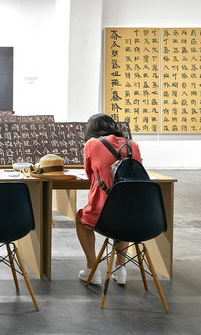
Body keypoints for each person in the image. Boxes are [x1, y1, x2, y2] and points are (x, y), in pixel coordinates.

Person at [76, 113, 142, 286]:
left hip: (103, 213)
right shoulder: (132, 144)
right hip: (136, 214)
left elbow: (90, 175)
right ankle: (121, 269)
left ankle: (92, 268)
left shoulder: (91, 144)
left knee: (80, 218)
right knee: (123, 214)